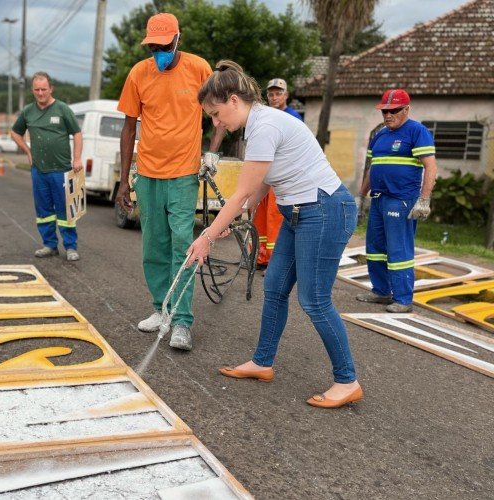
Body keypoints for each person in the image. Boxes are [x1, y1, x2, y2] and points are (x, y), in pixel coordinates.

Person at [187, 60, 362, 409]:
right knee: (276, 287)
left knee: (314, 300)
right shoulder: (258, 125)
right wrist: (241, 214)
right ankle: (262, 362)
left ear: (234, 100)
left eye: (217, 113)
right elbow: (264, 181)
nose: (216, 122)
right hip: (300, 213)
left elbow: (238, 193)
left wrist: (207, 235)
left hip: (324, 211)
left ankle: (347, 380)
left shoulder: (265, 125)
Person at [116, 12, 226, 351]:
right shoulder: (139, 73)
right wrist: (124, 181)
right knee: (154, 246)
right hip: (147, 174)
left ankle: (181, 322)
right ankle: (159, 309)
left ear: (178, 40)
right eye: (154, 47)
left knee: (183, 245)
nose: (159, 52)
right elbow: (129, 127)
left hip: (182, 174)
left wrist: (212, 152)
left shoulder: (198, 68)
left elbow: (219, 114)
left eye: (164, 46)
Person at [356, 89, 436, 312]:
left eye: (393, 110)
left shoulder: (417, 132)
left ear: (406, 109)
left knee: (398, 251)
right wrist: (360, 197)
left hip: (401, 200)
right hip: (379, 199)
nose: (388, 115)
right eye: (384, 111)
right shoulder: (380, 135)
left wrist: (424, 199)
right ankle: (381, 291)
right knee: (375, 248)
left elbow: (430, 166)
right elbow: (373, 169)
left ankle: (402, 299)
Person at [11, 72, 83, 261]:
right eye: (37, 90)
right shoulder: (28, 111)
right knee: (44, 212)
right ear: (32, 90)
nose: (41, 93)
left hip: (61, 170)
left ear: (51, 89)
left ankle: (70, 247)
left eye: (44, 89)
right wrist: (27, 151)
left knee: (65, 210)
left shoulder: (62, 109)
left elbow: (77, 134)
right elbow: (15, 133)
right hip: (39, 171)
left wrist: (77, 159)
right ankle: (49, 245)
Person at [253, 78, 302, 269]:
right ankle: (261, 257)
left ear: (286, 95)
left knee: (275, 219)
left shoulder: (293, 117)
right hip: (264, 173)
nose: (274, 97)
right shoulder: (265, 116)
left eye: (278, 93)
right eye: (271, 94)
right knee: (260, 217)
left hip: (281, 176)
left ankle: (276, 262)